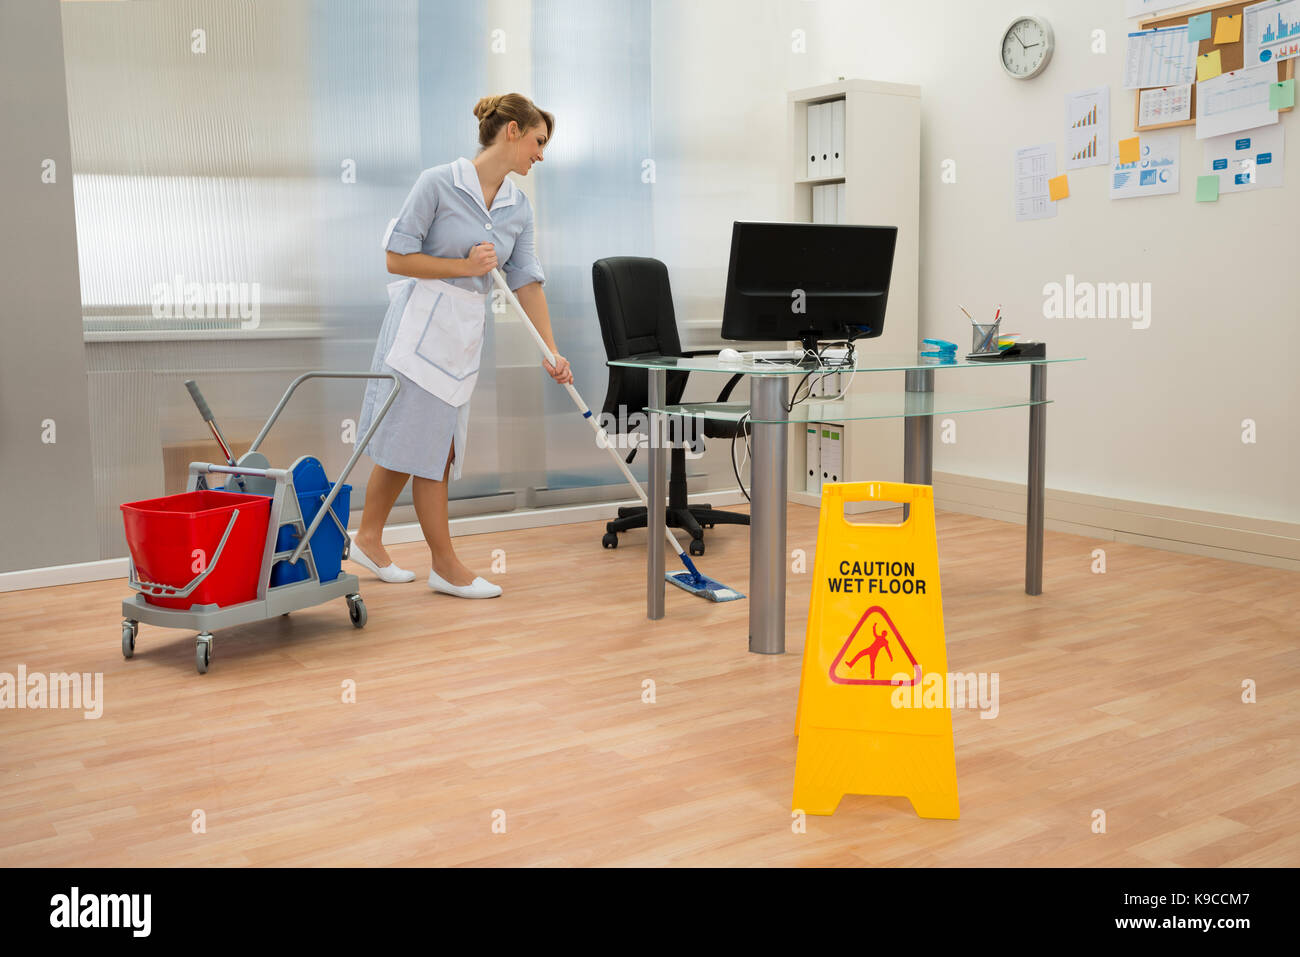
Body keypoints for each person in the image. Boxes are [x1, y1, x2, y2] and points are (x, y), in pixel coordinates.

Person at [350, 93, 572, 599]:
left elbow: (527, 281)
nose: (542, 154)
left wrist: (550, 351)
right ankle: (446, 566)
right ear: (512, 131)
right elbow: (396, 257)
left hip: (461, 337)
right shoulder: (438, 184)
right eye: (539, 141)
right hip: (418, 331)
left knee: (412, 440)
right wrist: (465, 267)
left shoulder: (519, 207)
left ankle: (366, 537)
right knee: (436, 446)